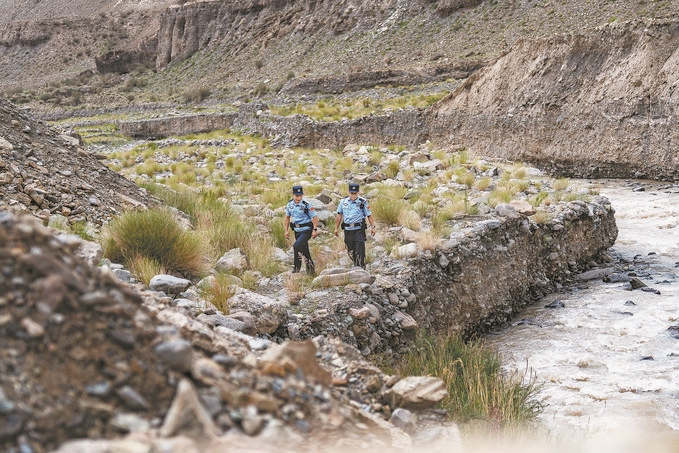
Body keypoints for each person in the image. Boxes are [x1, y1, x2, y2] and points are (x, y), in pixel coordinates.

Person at [334, 182, 375, 269]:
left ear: (358, 192)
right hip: (348, 230)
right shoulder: (343, 202)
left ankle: (360, 267)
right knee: (350, 250)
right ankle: (357, 264)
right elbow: (339, 215)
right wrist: (336, 228)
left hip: (358, 230)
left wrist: (373, 227)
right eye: (352, 193)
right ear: (348, 192)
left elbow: (369, 215)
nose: (353, 195)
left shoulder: (362, 202)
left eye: (355, 193)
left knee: (360, 250)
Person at [284, 185, 318, 275]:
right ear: (293, 195)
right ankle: (311, 271)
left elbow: (314, 217)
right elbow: (287, 217)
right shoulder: (290, 204)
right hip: (296, 230)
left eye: (300, 195)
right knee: (304, 250)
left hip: (306, 230)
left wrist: (314, 230)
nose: (299, 198)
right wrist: (286, 230)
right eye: (297, 196)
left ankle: (296, 269)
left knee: (296, 246)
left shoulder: (306, 204)